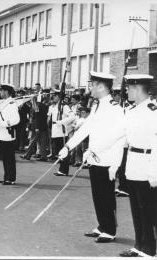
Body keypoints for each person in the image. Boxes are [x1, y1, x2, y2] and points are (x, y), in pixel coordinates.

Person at [58, 71, 125, 243]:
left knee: (106, 195)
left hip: (106, 158)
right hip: (94, 157)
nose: (90, 88)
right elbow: (86, 128)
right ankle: (102, 225)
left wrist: (110, 161)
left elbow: (118, 136)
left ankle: (110, 230)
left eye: (93, 85)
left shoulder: (114, 108)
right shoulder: (97, 105)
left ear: (101, 86)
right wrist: (68, 146)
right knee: (97, 194)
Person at [119, 75, 157, 257]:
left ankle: (150, 249)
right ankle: (139, 245)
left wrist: (155, 172)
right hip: (134, 163)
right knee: (136, 208)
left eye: (128, 88)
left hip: (147, 164)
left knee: (148, 210)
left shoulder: (155, 112)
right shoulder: (132, 110)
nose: (127, 91)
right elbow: (126, 139)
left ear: (136, 89)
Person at [0, 84, 20, 185]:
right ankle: (7, 177)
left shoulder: (11, 103)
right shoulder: (4, 103)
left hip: (8, 135)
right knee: (4, 157)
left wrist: (3, 124)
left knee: (9, 158)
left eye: (1, 91)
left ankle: (11, 179)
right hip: (1, 134)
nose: (0, 93)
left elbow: (16, 119)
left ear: (6, 91)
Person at [48, 88, 75, 176]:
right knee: (58, 152)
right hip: (56, 132)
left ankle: (64, 170)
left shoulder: (64, 106)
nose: (53, 97)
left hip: (61, 132)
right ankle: (61, 169)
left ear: (59, 97)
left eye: (55, 96)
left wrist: (61, 122)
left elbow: (72, 116)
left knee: (63, 151)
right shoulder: (55, 106)